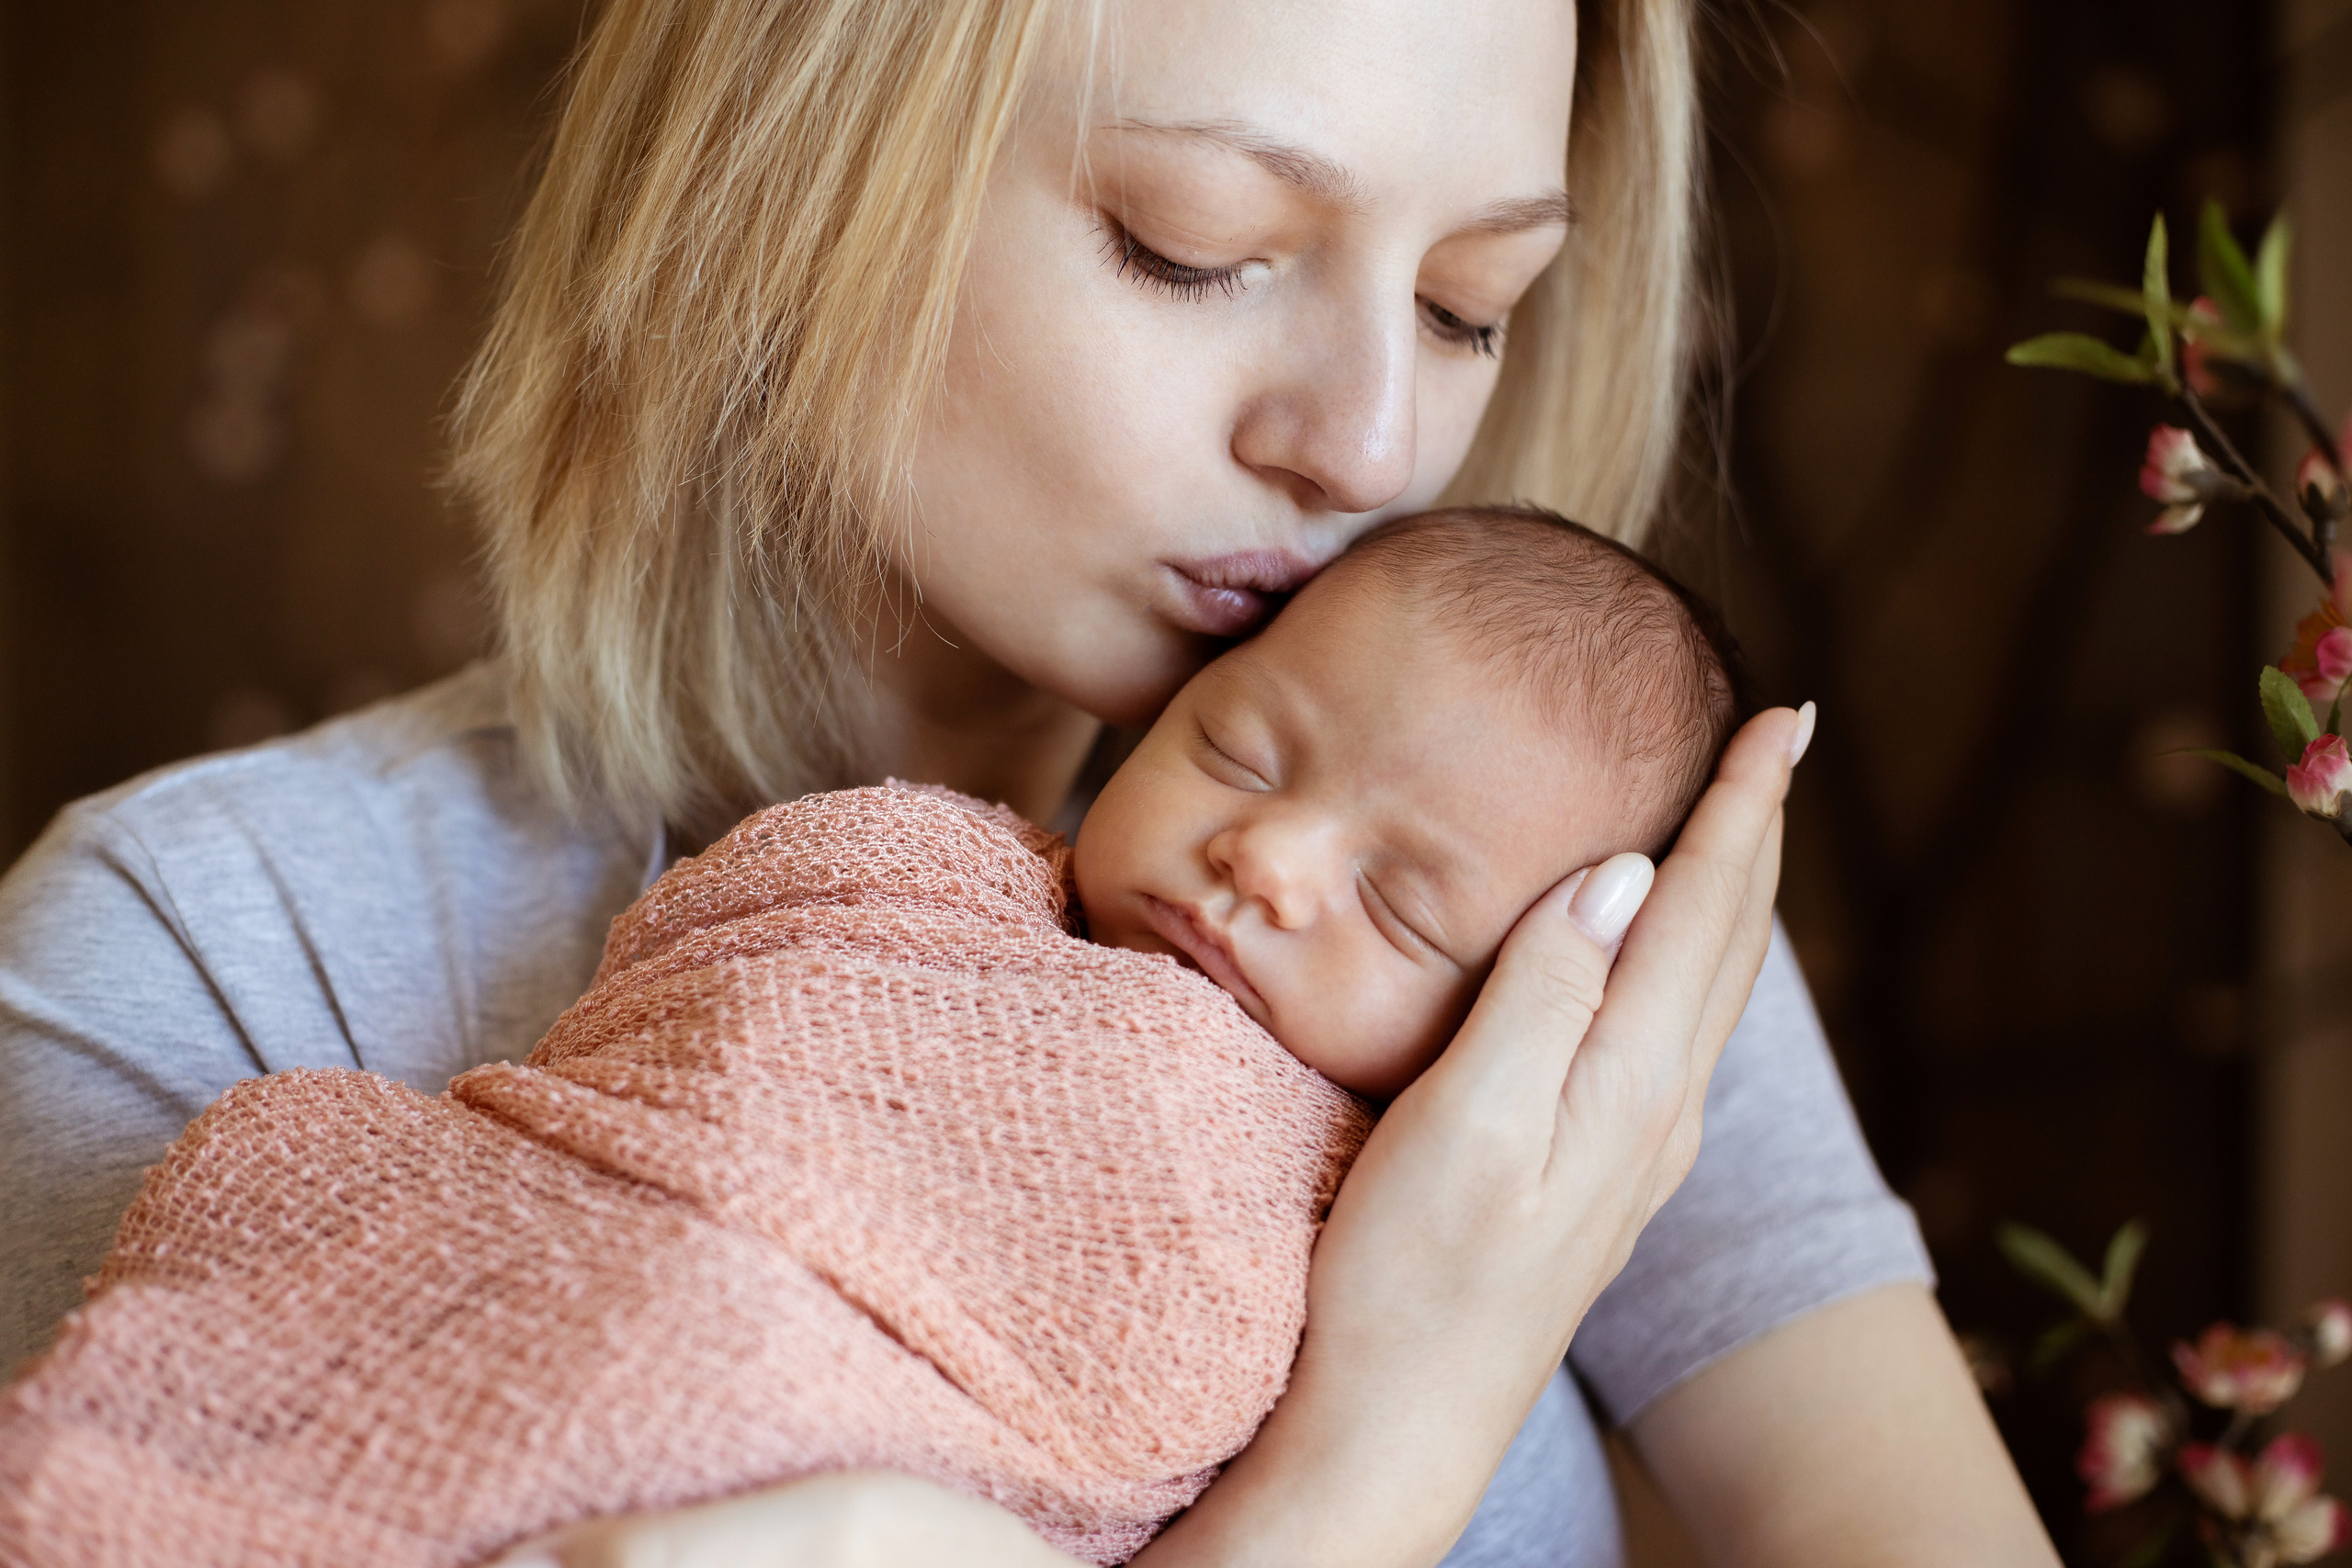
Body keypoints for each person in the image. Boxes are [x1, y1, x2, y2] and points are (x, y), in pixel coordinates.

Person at [0, 1, 2060, 1564]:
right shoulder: (207, 948)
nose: (1364, 443)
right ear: (788, 167)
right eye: (1198, 243)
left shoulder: (1534, 915)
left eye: (1464, 307)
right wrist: (1375, 1452)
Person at [1, 507, 1735, 1566]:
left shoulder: (1573, 1084)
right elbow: (696, 983)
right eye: (1242, 754)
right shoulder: (918, 875)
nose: (1264, 859)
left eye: (1465, 306)